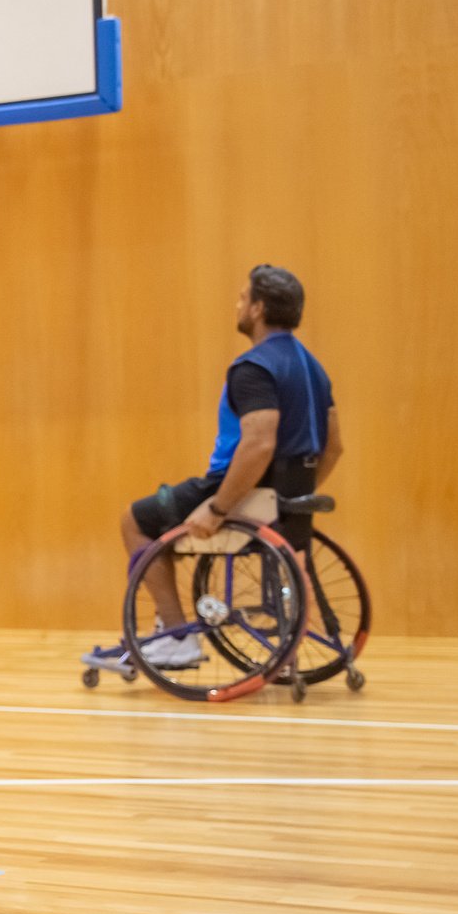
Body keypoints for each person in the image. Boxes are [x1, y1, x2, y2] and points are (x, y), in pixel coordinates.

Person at [117, 263, 342, 668]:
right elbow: (333, 448)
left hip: (236, 491)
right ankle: (170, 633)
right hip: (281, 499)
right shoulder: (314, 368)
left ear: (257, 309)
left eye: (242, 297)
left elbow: (258, 444)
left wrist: (219, 506)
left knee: (135, 520)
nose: (237, 304)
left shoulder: (253, 367)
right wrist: (290, 499)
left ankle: (177, 638)